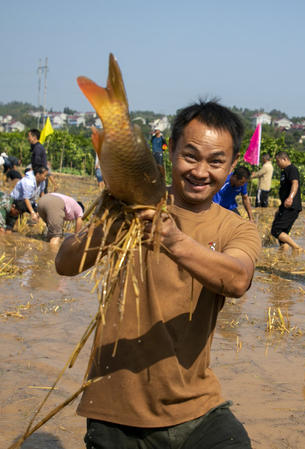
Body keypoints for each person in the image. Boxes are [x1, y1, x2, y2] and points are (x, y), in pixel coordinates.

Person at [55, 100, 260, 448]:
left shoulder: (237, 230)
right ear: (170, 152)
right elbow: (65, 263)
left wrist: (173, 240)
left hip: (196, 407)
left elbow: (238, 278)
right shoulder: (134, 207)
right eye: (190, 156)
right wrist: (113, 223)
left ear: (232, 165)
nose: (200, 171)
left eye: (215, 161)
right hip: (116, 410)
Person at [270, 151, 302, 250]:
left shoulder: (292, 169)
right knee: (283, 235)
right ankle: (283, 256)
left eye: (278, 161)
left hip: (291, 205)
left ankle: (297, 248)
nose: (277, 164)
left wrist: (290, 197)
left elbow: (295, 183)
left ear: (284, 159)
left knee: (276, 230)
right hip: (286, 206)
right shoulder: (285, 171)